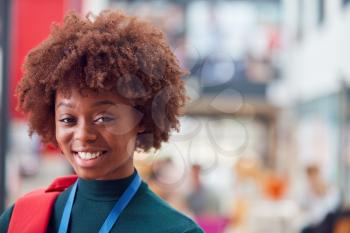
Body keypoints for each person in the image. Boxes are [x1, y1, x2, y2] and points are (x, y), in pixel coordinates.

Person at [0, 10, 203, 233]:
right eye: (68, 119)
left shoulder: (176, 230)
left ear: (142, 119)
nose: (83, 134)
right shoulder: (19, 219)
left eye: (104, 117)